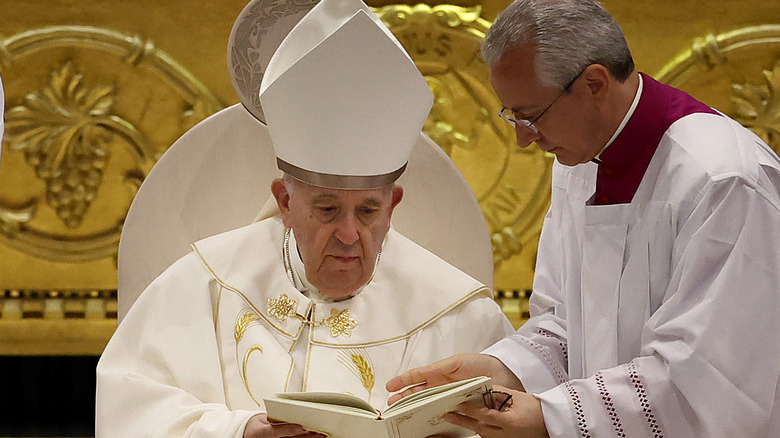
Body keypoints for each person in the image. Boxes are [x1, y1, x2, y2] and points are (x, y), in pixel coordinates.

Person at [95, 0, 514, 437]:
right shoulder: (204, 288)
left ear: (393, 208)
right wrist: (240, 431)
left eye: (368, 211)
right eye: (328, 209)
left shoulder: (458, 316)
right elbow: (131, 411)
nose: (350, 235)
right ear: (285, 202)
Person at [386, 0, 780, 436]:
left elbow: (710, 383)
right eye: (512, 117)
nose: (521, 140)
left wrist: (552, 417)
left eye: (530, 117)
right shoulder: (578, 164)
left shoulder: (722, 180)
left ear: (594, 82)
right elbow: (563, 325)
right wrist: (499, 371)